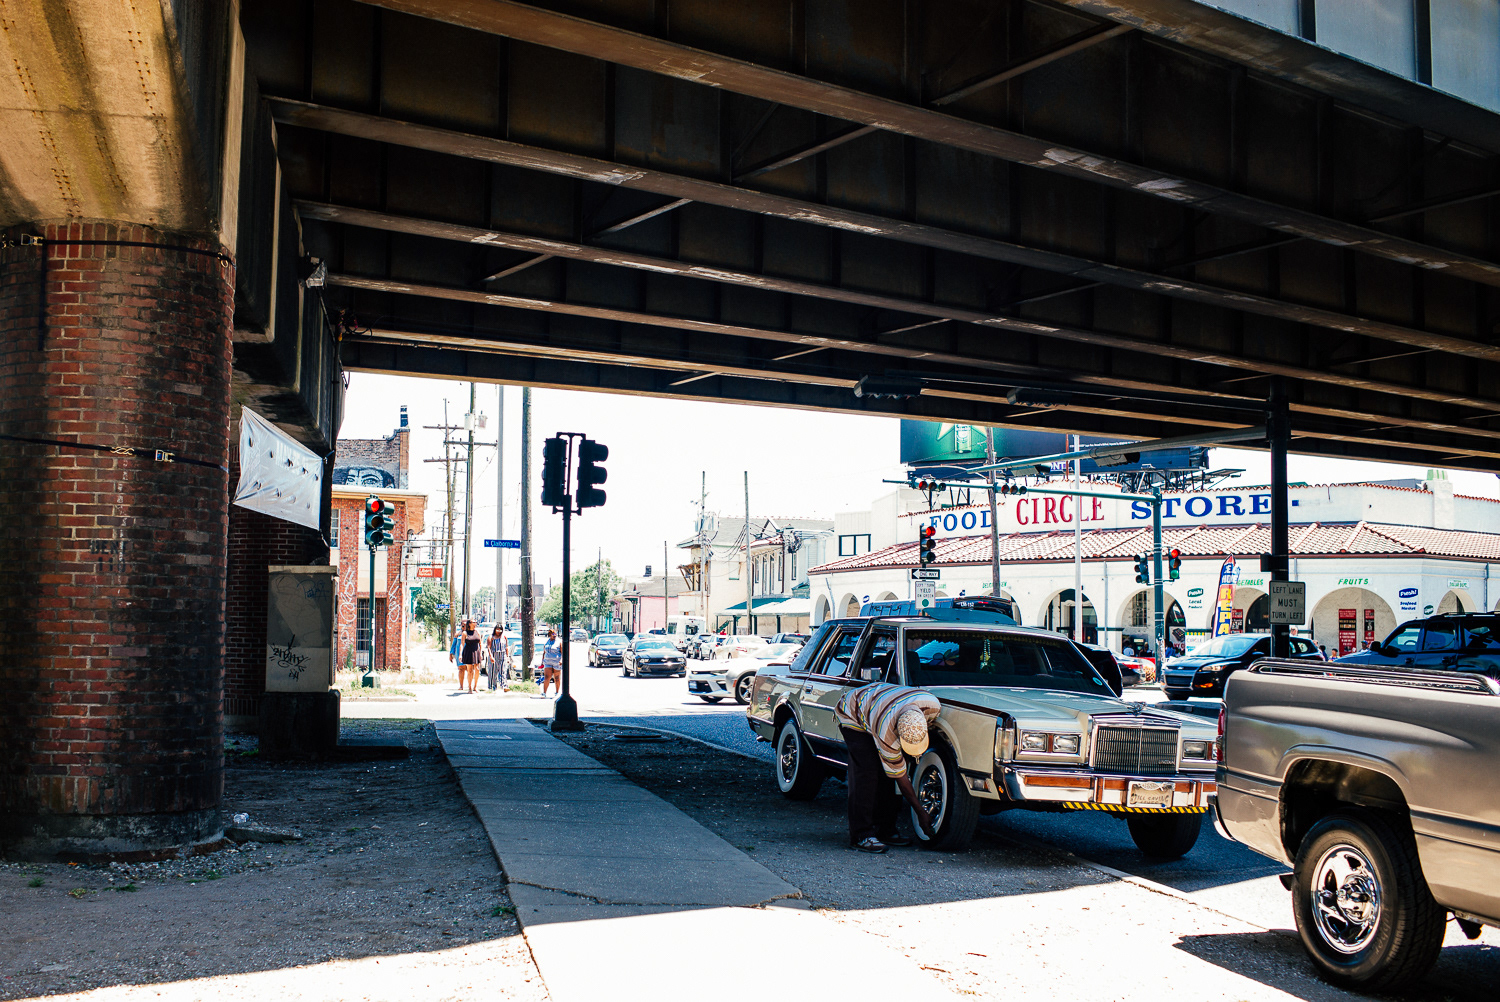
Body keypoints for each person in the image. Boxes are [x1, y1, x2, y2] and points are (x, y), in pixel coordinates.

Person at [833, 681, 941, 853]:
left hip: (881, 705)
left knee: (886, 774)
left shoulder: (932, 706)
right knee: (867, 773)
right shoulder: (886, 732)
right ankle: (861, 835)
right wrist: (920, 812)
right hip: (852, 711)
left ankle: (885, 830)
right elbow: (899, 776)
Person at [459, 619, 482, 693]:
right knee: (470, 670)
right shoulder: (465, 633)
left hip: (476, 651)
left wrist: (481, 653)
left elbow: (480, 643)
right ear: (469, 624)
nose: (475, 623)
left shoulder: (477, 632)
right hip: (468, 652)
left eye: (475, 622)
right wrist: (460, 654)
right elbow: (462, 644)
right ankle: (470, 687)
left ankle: (475, 686)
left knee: (477, 669)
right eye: (473, 622)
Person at [539, 628, 563, 697]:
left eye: (555, 634)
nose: (554, 635)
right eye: (553, 634)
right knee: (547, 677)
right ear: (550, 634)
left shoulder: (558, 642)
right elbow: (544, 652)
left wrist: (561, 660)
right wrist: (542, 662)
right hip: (547, 662)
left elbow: (562, 652)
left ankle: (557, 692)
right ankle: (544, 693)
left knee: (557, 678)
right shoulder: (547, 642)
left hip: (556, 662)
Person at [487, 625, 511, 692]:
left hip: (502, 655)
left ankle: (504, 686)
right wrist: (491, 656)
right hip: (494, 655)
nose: (499, 631)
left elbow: (506, 647)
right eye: (497, 630)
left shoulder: (504, 637)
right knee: (493, 672)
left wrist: (507, 657)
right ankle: (492, 687)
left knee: (503, 671)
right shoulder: (491, 637)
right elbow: (488, 647)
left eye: (500, 630)